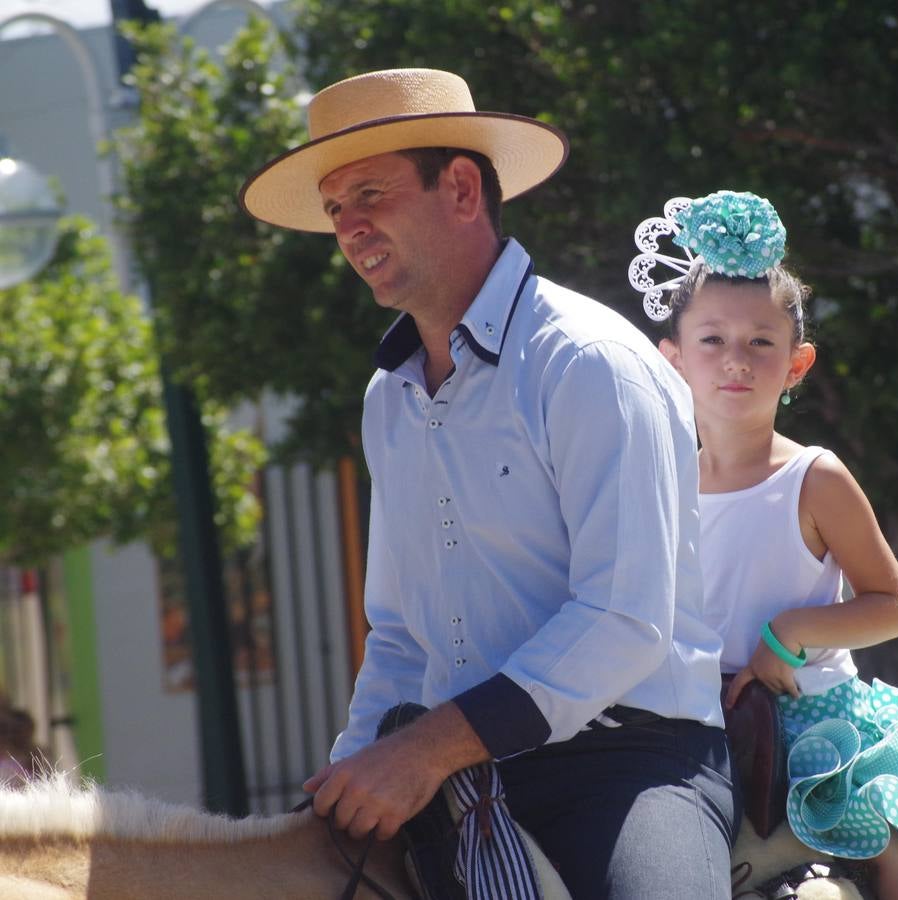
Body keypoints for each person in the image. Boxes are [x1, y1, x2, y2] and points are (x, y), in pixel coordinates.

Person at [240, 68, 734, 899]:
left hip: (630, 763)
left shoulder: (589, 360)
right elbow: (399, 637)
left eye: (370, 193)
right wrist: (353, 775)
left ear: (462, 187)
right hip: (449, 769)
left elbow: (622, 619)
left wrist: (423, 751)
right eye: (334, 210)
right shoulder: (389, 396)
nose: (350, 227)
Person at [640, 190, 898, 898]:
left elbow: (891, 604)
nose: (735, 359)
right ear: (671, 360)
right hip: (695, 729)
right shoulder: (656, 481)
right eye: (712, 340)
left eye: (761, 342)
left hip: (820, 726)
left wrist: (789, 633)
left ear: (796, 365)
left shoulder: (813, 476)